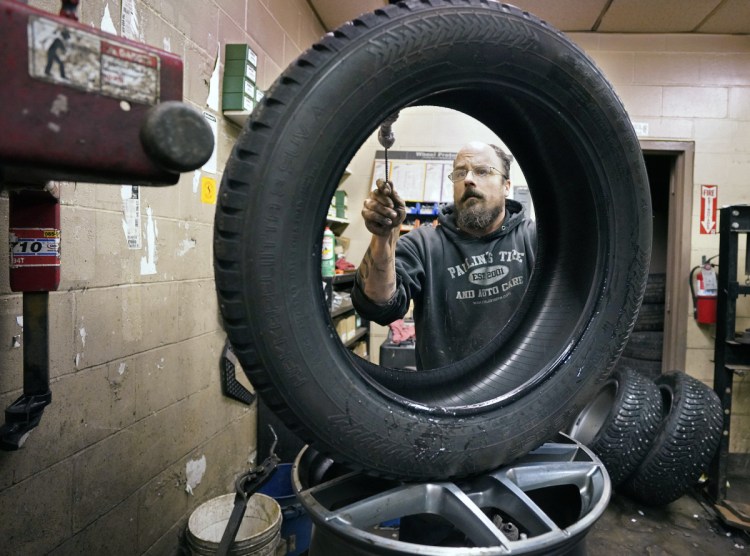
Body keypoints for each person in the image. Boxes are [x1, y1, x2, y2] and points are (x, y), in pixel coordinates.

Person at [351, 141, 536, 370]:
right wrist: (382, 237)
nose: (468, 179)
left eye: (482, 171)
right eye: (460, 173)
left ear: (506, 186)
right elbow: (377, 306)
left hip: (525, 394)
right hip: (446, 398)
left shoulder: (534, 238)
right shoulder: (423, 245)